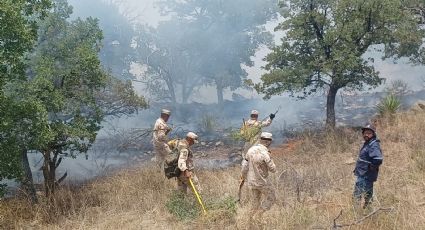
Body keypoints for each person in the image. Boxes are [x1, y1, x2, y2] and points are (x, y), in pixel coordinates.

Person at [241, 132, 276, 221]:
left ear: (260, 140)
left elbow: (244, 166)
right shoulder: (265, 153)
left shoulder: (250, 150)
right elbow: (273, 169)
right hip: (262, 182)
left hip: (251, 182)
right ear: (269, 142)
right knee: (271, 197)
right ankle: (259, 215)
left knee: (255, 202)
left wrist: (243, 177)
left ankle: (251, 220)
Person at [353, 123, 383, 209]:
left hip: (366, 174)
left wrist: (371, 167)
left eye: (369, 133)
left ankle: (357, 211)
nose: (366, 135)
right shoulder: (368, 143)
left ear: (373, 134)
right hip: (363, 173)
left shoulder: (373, 145)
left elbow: (378, 159)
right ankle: (367, 210)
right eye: (365, 133)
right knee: (367, 193)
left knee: (358, 194)